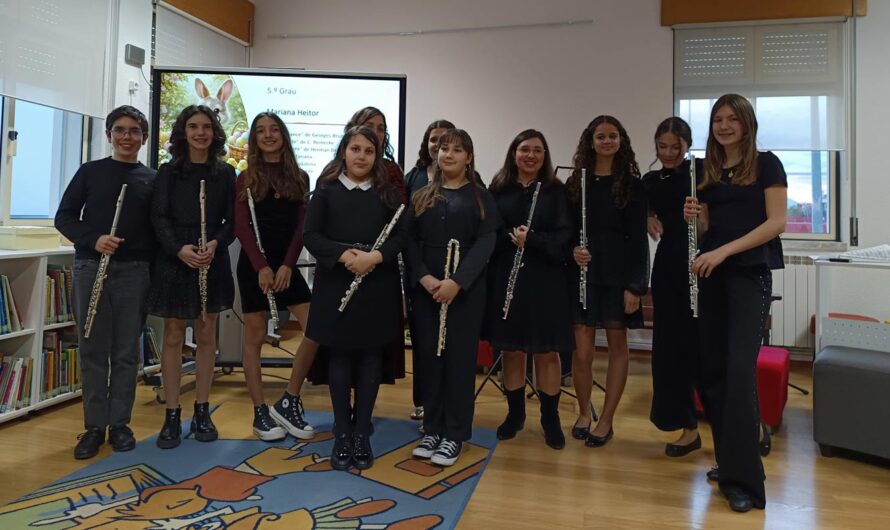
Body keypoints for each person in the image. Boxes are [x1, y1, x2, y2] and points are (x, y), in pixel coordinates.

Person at [684, 94, 787, 513]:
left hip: (748, 275)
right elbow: (710, 226)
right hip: (712, 278)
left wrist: (725, 250)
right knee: (711, 374)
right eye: (717, 120)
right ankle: (729, 462)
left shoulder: (767, 163)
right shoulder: (706, 169)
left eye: (732, 119)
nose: (723, 126)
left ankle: (745, 481)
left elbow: (776, 222)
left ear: (746, 123)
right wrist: (697, 217)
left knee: (740, 372)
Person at [302, 125, 405, 471]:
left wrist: (374, 258)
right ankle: (342, 433)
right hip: (337, 283)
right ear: (343, 151)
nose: (361, 156)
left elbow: (399, 238)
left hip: (377, 283)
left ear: (376, 157)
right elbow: (311, 236)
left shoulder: (387, 193)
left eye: (368, 151)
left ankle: (362, 431)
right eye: (355, 149)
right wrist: (346, 255)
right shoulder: (326, 192)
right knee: (340, 358)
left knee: (371, 359)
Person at [56, 105, 156, 460]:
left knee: (126, 352)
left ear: (144, 137)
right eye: (120, 130)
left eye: (134, 131)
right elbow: (64, 217)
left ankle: (121, 424)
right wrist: (94, 238)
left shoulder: (152, 178)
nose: (127, 137)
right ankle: (94, 426)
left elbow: (157, 231)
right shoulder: (90, 172)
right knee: (92, 349)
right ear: (109, 134)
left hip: (134, 272)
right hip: (90, 265)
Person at [405, 129, 499, 466]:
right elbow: (409, 242)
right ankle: (432, 426)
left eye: (457, 150)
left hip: (465, 293)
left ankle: (455, 433)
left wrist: (457, 283)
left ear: (469, 157)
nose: (449, 155)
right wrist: (426, 279)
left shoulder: (481, 198)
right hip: (428, 291)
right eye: (444, 149)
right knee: (430, 359)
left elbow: (486, 244)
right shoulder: (421, 196)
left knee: (459, 362)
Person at [146, 105, 236, 449]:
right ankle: (172, 412)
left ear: (215, 133)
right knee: (172, 334)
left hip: (210, 258)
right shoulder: (168, 172)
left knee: (206, 332)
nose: (200, 132)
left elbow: (231, 222)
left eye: (207, 127)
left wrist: (215, 243)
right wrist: (178, 249)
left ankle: (202, 409)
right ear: (183, 133)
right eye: (193, 127)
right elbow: (159, 218)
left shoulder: (226, 173)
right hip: (175, 258)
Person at [486, 129, 574, 450]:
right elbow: (489, 232)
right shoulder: (498, 190)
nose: (531, 155)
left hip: (546, 280)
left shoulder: (555, 192)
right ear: (514, 153)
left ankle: (550, 419)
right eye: (525, 149)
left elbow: (565, 238)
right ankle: (515, 414)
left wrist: (532, 240)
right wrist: (509, 238)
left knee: (547, 352)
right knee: (512, 350)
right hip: (506, 277)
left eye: (538, 150)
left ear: (544, 156)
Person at [233, 112, 316, 441]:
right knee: (254, 337)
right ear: (254, 138)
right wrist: (262, 267)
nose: (268, 135)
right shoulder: (246, 177)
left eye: (275, 130)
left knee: (315, 328)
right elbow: (241, 227)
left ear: (283, 135)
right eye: (261, 131)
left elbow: (301, 228)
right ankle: (259, 412)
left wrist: (286, 266)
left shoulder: (299, 176)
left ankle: (289, 400)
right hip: (255, 267)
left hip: (286, 266)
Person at [567, 115, 648, 448]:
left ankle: (607, 419)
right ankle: (584, 412)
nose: (607, 141)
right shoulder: (576, 182)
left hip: (618, 276)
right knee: (582, 348)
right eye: (600, 136)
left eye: (613, 136)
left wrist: (635, 286)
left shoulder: (631, 183)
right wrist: (572, 249)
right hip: (583, 273)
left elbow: (638, 239)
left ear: (621, 140)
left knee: (617, 346)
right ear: (591, 140)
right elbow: (568, 230)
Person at [642, 117, 702, 457]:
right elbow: (629, 209)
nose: (667, 153)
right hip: (668, 268)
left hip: (702, 265)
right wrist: (646, 215)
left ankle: (745, 425)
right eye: (662, 147)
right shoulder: (650, 181)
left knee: (705, 350)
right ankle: (688, 428)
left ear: (686, 145)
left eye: (674, 147)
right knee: (670, 351)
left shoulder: (701, 173)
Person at [403, 118, 455, 422]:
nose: (439, 146)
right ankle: (422, 400)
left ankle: (448, 399)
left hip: (454, 275)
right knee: (423, 339)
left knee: (449, 340)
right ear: (427, 144)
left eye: (447, 142)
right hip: (419, 271)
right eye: (435, 140)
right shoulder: (414, 177)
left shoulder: (470, 180)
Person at [405, 119, 456, 200]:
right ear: (426, 144)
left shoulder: (468, 177)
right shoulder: (413, 176)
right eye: (433, 140)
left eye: (443, 139)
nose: (438, 144)